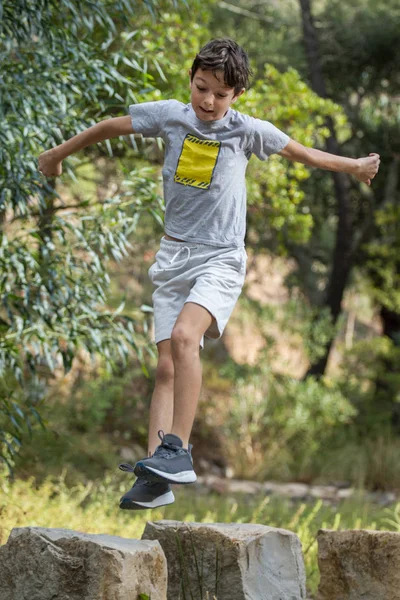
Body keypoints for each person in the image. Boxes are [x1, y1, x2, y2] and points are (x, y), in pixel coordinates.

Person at [38, 38, 380, 511]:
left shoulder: (247, 131)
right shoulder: (171, 116)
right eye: (202, 88)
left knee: (184, 339)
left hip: (220, 258)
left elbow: (305, 154)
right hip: (174, 257)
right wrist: (57, 154)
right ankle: (157, 478)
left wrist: (356, 165)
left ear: (237, 96)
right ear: (191, 79)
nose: (208, 101)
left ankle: (178, 450)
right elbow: (109, 127)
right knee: (164, 367)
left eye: (221, 95)